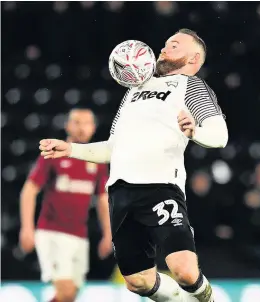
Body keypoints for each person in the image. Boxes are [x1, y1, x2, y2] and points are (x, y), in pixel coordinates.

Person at [39, 29, 228, 302]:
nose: (163, 49)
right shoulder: (134, 90)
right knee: (138, 282)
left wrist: (194, 132)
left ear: (194, 58)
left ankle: (209, 300)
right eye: (164, 44)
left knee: (185, 272)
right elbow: (113, 148)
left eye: (174, 46)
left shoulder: (191, 85)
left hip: (161, 187)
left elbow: (219, 136)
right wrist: (71, 149)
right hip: (120, 193)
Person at [19, 108, 112, 302]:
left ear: (93, 128)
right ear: (67, 125)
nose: (81, 128)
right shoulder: (54, 154)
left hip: (79, 235)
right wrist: (27, 228)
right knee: (66, 291)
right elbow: (29, 190)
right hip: (52, 232)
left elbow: (103, 198)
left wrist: (108, 232)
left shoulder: (96, 159)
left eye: (86, 123)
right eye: (76, 122)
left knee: (71, 294)